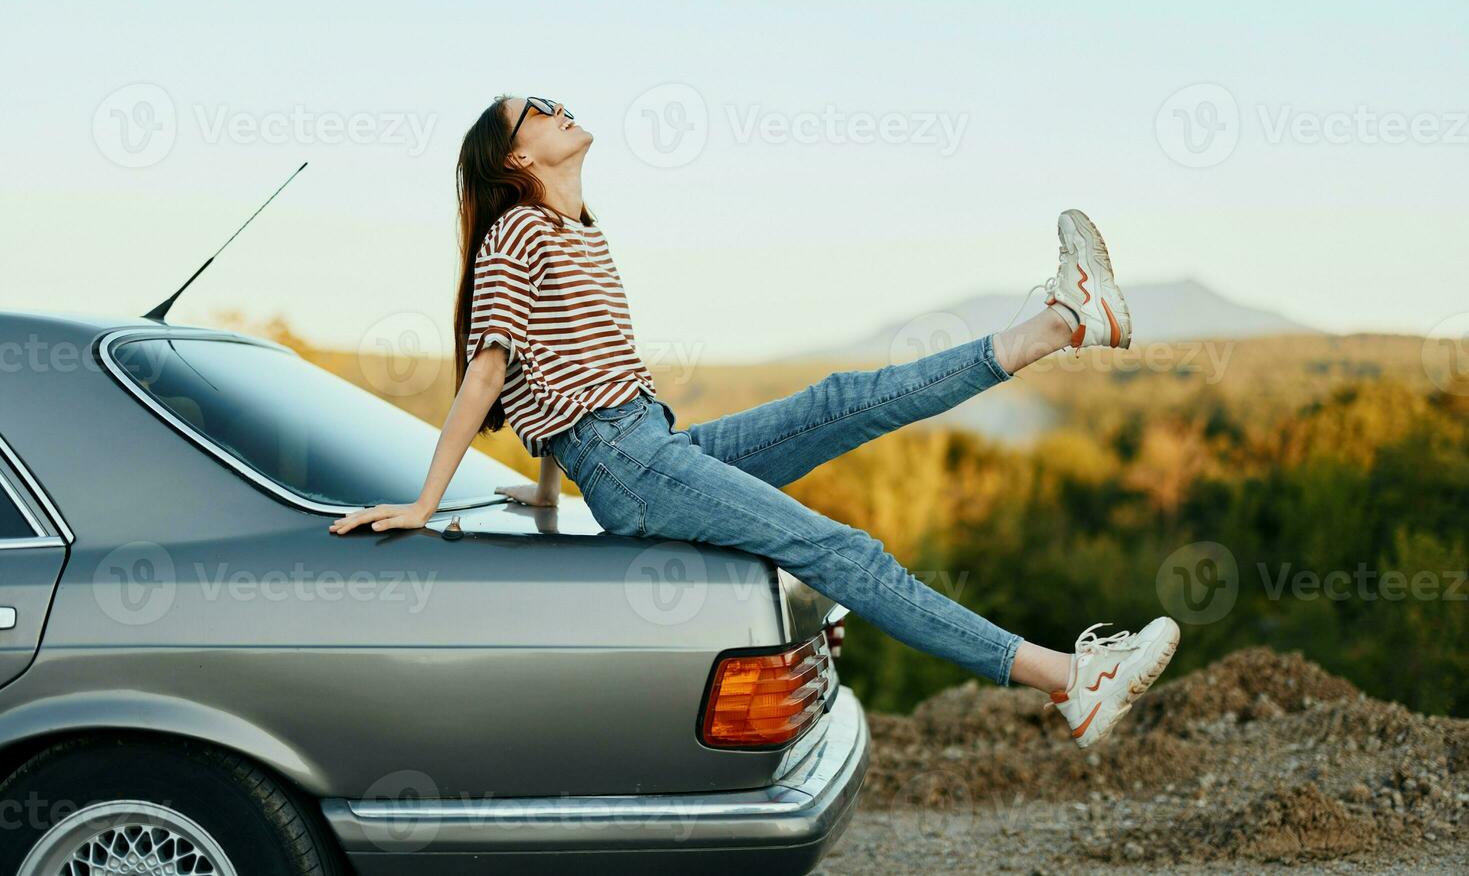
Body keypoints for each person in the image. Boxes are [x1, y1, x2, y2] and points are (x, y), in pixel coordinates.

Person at [330, 95, 1179, 748]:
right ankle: (1071, 682)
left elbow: (550, 378)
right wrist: (423, 504)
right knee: (841, 551)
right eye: (537, 109)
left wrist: (551, 499)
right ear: (516, 154)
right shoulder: (516, 230)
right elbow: (489, 371)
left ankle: (1064, 323)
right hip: (631, 462)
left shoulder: (577, 230)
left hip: (644, 446)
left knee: (841, 400)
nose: (559, 107)